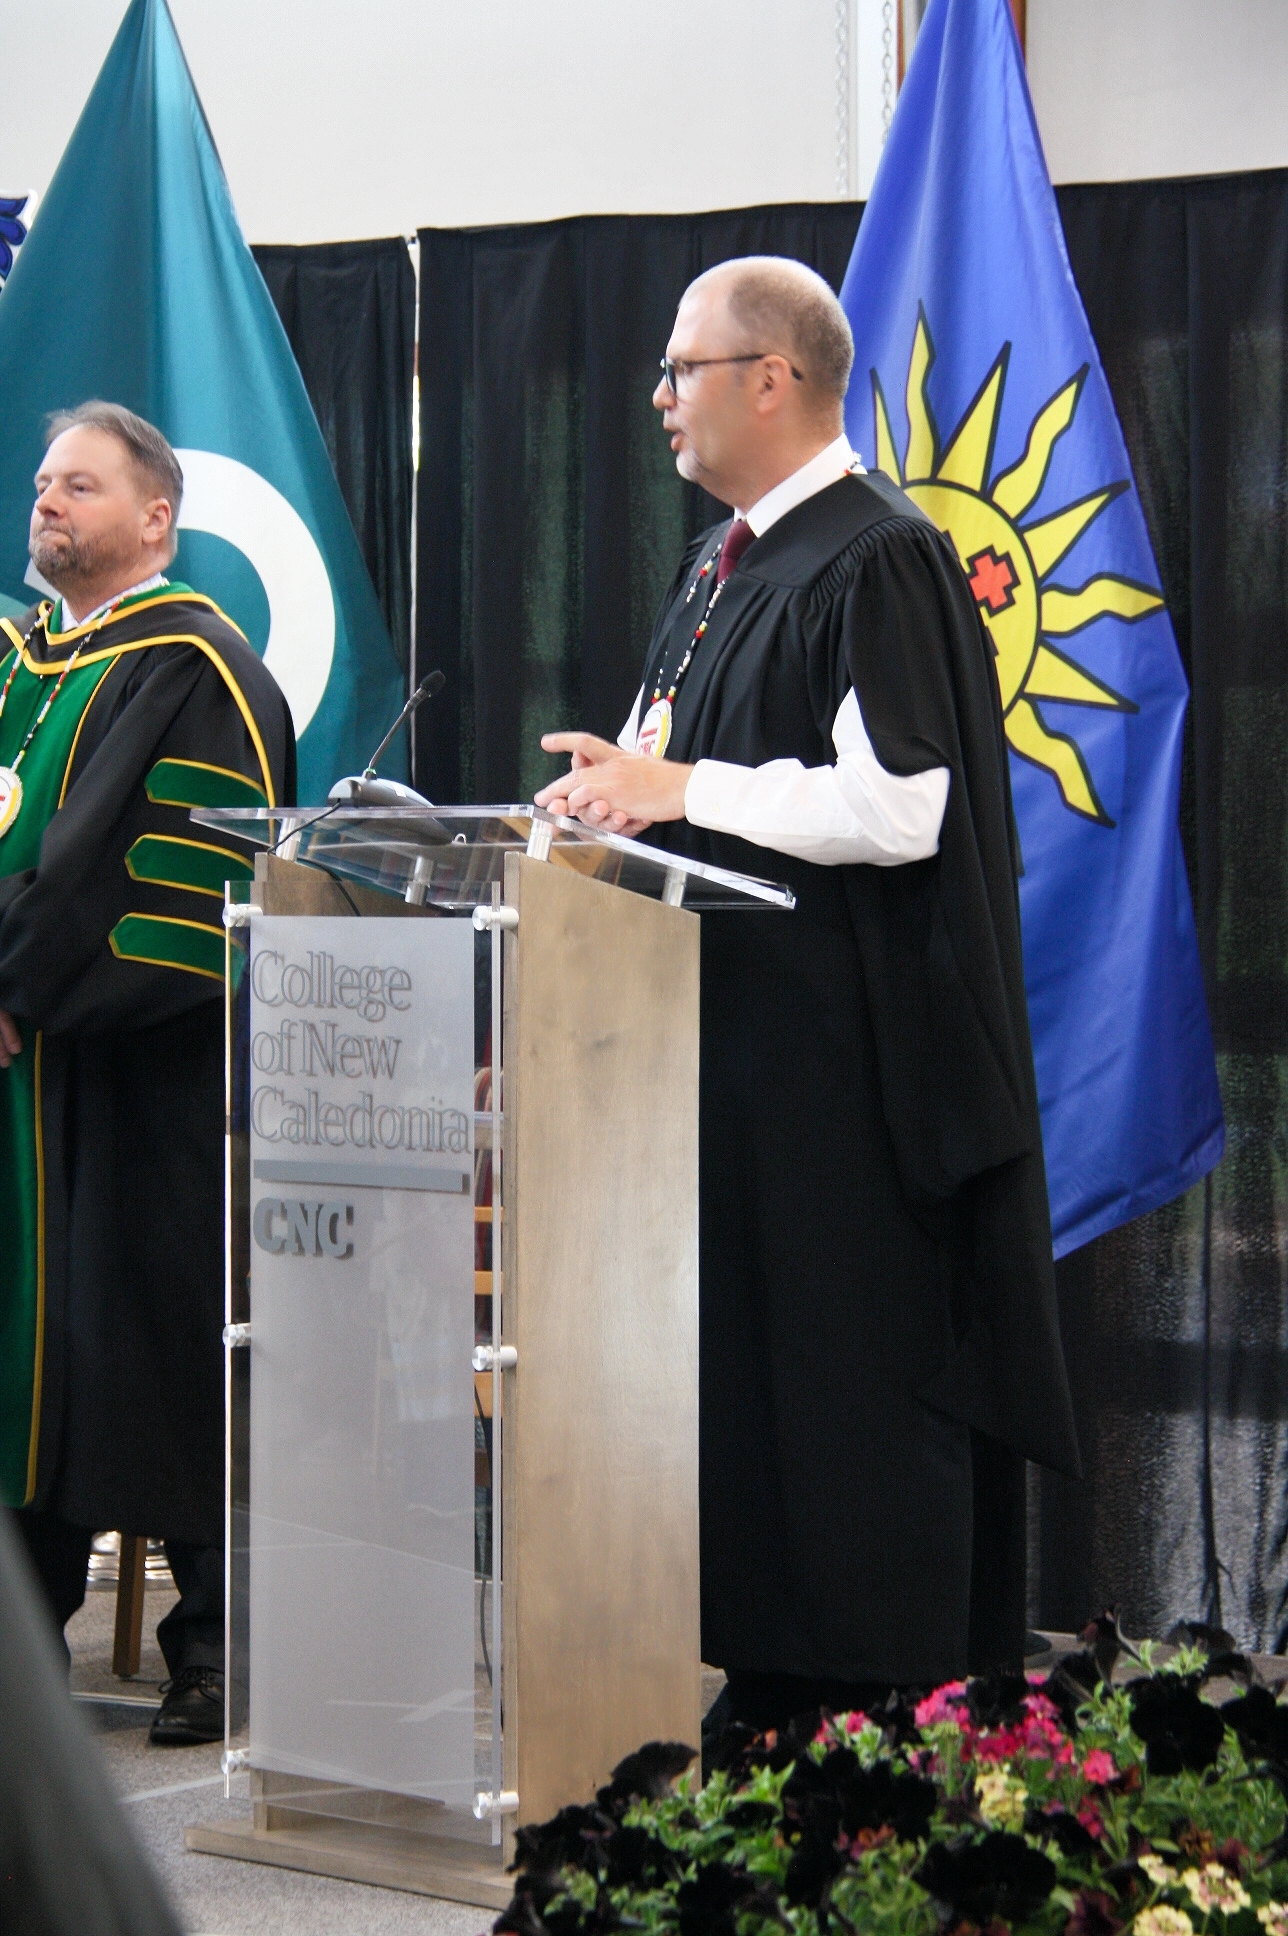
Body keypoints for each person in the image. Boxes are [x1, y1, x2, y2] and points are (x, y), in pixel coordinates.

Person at [536, 258, 1080, 1734]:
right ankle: (774, 1682)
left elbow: (903, 806)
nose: (660, 397)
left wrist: (682, 787)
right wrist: (598, 814)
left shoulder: (878, 557)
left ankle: (868, 1700)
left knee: (843, 1395)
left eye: (683, 369)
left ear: (771, 380)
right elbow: (666, 784)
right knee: (751, 1394)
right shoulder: (718, 567)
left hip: (850, 1081)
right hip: (724, 1062)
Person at [0, 402, 294, 1744]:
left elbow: (131, 873)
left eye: (80, 485)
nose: (47, 501)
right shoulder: (22, 662)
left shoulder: (196, 666)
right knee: (35, 1356)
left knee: (162, 1350)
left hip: (145, 1078)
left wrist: (16, 988)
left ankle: (216, 1652)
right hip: (27, 1078)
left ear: (156, 518)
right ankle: (25, 1643)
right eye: (42, 483)